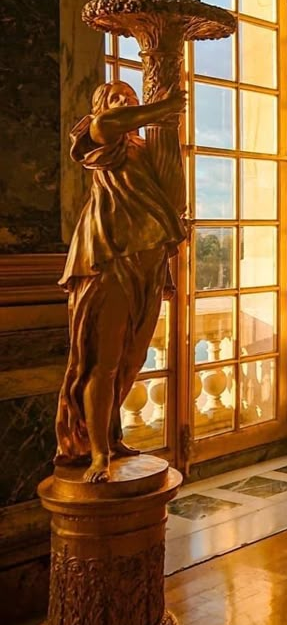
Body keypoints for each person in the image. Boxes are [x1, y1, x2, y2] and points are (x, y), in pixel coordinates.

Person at [55, 80, 186, 482]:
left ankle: (111, 436)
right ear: (100, 107)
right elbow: (109, 123)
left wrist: (166, 130)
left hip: (148, 262)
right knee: (103, 362)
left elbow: (174, 198)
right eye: (117, 99)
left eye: (130, 98)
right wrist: (159, 108)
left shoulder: (146, 149)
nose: (126, 103)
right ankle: (95, 453)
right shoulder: (98, 139)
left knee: (132, 359)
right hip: (108, 259)